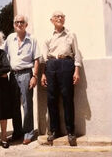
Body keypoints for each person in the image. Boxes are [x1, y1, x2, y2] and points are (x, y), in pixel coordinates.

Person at [41, 11, 82, 146]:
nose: (60, 18)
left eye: (62, 16)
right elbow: (44, 57)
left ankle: (71, 132)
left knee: (67, 98)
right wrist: (43, 73)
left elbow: (76, 54)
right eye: (57, 16)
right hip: (51, 65)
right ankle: (54, 130)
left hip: (66, 64)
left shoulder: (71, 35)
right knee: (52, 99)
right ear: (51, 20)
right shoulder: (48, 36)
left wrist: (76, 71)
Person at [3, 15, 41, 145]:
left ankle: (28, 133)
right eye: (17, 22)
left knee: (27, 105)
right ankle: (17, 132)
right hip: (13, 75)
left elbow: (37, 59)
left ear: (26, 24)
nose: (19, 24)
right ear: (14, 24)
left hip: (26, 74)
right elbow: (1, 52)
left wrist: (34, 76)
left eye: (22, 22)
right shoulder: (10, 38)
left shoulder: (32, 39)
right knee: (14, 105)